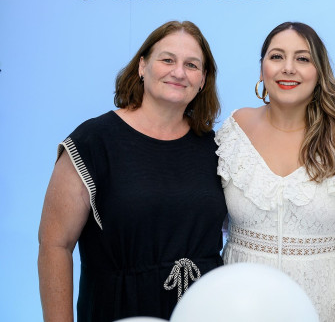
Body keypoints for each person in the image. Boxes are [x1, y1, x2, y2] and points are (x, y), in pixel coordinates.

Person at [38, 21, 227, 322]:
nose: (179, 72)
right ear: (142, 66)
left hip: (204, 310)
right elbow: (55, 246)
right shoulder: (93, 142)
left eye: (192, 65)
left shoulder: (215, 148)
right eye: (167, 60)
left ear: (203, 79)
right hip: (119, 310)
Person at [216, 22, 335, 322]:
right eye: (277, 56)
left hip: (325, 306)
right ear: (262, 69)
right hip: (240, 305)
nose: (288, 68)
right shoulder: (234, 128)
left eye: (303, 58)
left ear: (319, 72)